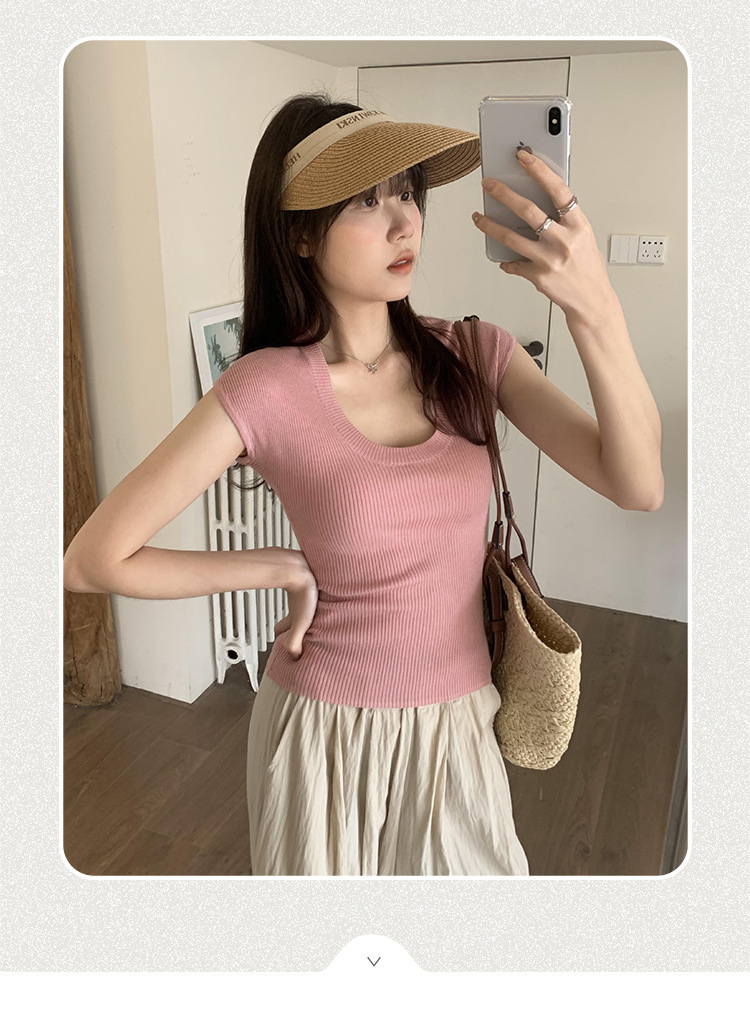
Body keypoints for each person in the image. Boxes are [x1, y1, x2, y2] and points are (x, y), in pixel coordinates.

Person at [63, 91, 664, 878]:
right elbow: (92, 559)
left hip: (458, 728)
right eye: (366, 201)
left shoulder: (475, 355)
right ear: (300, 233)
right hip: (321, 732)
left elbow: (637, 483)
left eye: (409, 193)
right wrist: (279, 568)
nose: (405, 222)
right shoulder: (265, 388)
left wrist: (595, 305)